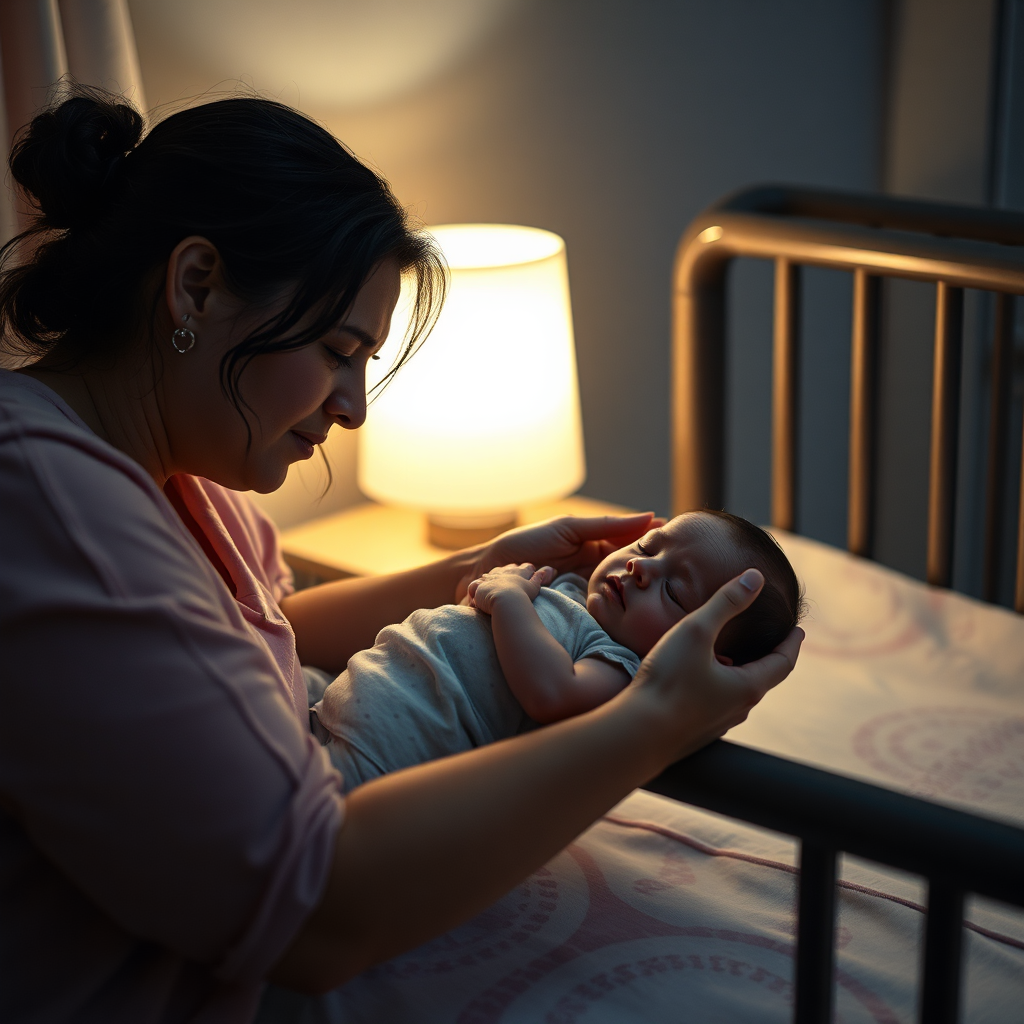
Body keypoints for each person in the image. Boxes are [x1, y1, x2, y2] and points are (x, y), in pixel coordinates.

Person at [0, 89, 803, 1024]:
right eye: (342, 352)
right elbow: (316, 916)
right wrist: (654, 720)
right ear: (196, 285)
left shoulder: (168, 467)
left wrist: (484, 566)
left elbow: (253, 632)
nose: (353, 407)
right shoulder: (50, 513)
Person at [313, 510, 803, 790]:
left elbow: (552, 693)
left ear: (703, 652)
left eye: (675, 592)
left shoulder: (618, 665)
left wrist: (508, 600)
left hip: (392, 749)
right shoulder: (566, 586)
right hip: (353, 690)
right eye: (649, 547)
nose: (640, 569)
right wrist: (488, 581)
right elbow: (469, 599)